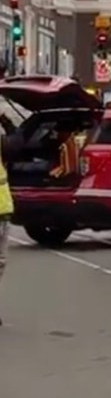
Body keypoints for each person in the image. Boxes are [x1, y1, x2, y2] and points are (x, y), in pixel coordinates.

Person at [0, 117, 23, 327]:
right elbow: (16, 143)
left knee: (1, 263)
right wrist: (7, 123)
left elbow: (15, 145)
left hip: (3, 211)